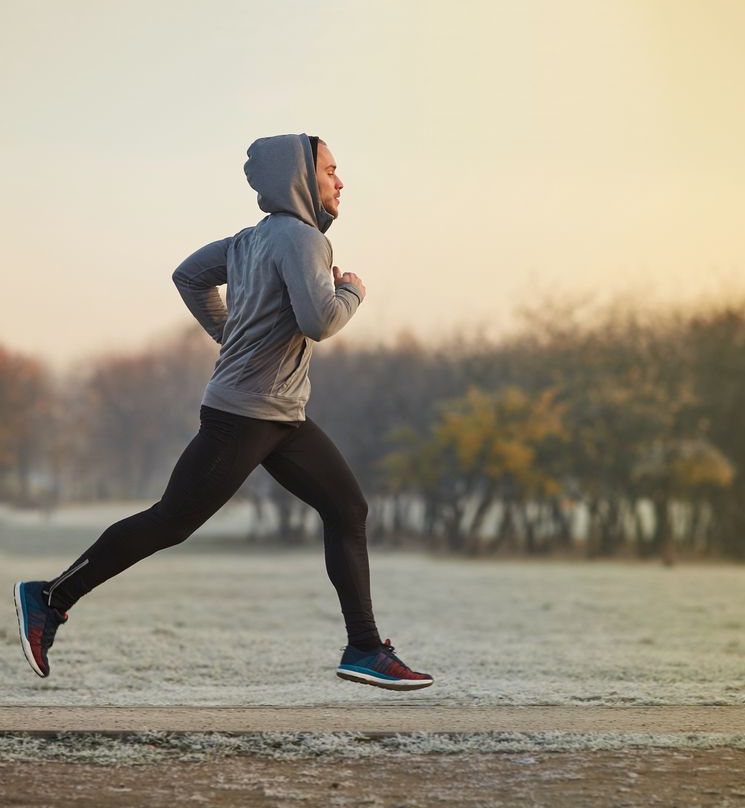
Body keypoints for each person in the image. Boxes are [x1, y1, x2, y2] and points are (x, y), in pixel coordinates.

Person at [13, 133, 434, 692]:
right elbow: (320, 321)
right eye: (330, 170)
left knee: (347, 508)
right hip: (245, 415)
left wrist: (228, 333)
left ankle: (364, 648)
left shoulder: (250, 241)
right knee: (171, 520)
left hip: (282, 416)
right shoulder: (305, 240)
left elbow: (188, 275)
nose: (340, 181)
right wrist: (352, 292)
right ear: (300, 178)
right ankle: (49, 597)